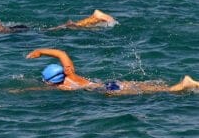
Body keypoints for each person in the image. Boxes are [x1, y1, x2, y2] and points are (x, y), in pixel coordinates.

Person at [27, 48, 199, 94]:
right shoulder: (71, 74)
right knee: (152, 88)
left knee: (161, 93)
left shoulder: (61, 87)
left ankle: (183, 85)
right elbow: (61, 53)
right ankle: (188, 84)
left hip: (106, 91)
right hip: (109, 83)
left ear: (50, 81)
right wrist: (41, 51)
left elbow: (36, 89)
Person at [0, 10, 116, 33]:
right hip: (12, 30)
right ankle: (92, 20)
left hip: (11, 31)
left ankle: (94, 19)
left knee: (53, 31)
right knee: (52, 30)